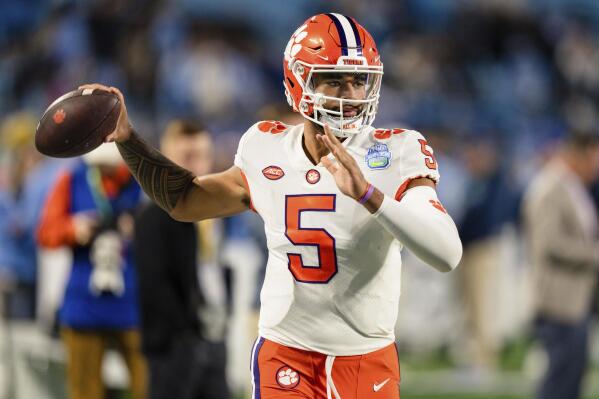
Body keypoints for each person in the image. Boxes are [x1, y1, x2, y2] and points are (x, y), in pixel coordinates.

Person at [80, 13, 462, 399]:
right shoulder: (266, 147)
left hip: (366, 357)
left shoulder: (396, 151)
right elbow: (184, 201)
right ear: (299, 82)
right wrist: (128, 139)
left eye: (359, 80)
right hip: (286, 354)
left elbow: (447, 253)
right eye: (333, 79)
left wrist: (369, 196)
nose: (349, 93)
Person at [37, 143, 147, 399]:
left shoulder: (142, 180)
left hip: (134, 300)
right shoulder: (73, 178)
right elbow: (45, 233)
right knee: (84, 389)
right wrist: (73, 230)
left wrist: (139, 230)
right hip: (84, 300)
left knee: (149, 384)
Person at [134, 120, 230, 399]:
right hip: (175, 342)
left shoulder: (216, 209)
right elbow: (155, 283)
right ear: (167, 157)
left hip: (212, 335)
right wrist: (183, 331)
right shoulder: (153, 215)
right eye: (188, 156)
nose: (197, 165)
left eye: (202, 156)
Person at [522, 132, 599, 399]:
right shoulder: (550, 187)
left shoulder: (571, 186)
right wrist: (594, 254)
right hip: (558, 302)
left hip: (575, 300)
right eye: (593, 159)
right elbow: (549, 244)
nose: (595, 168)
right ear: (578, 154)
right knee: (558, 384)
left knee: (572, 381)